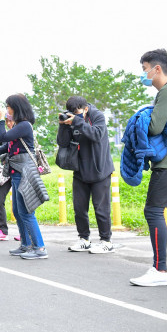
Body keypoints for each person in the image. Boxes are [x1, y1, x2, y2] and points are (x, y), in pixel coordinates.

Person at [0, 94, 49, 260]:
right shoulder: (19, 126)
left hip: (24, 172)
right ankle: (26, 245)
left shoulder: (25, 125)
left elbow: (5, 137)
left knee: (27, 211)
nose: (7, 110)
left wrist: (0, 120)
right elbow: (7, 144)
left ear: (16, 107)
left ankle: (39, 248)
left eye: (8, 106)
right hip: (15, 172)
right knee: (17, 210)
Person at [129, 49, 167, 286]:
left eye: (145, 70)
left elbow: (154, 127)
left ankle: (160, 270)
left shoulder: (165, 92)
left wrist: (144, 114)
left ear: (157, 69)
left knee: (153, 211)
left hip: (165, 165)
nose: (144, 75)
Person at [57, 96, 115, 253]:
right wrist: (63, 126)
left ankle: (106, 241)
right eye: (72, 113)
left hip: (100, 170)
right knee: (79, 208)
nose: (74, 115)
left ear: (86, 108)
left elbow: (96, 135)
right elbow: (62, 143)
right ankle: (84, 239)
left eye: (77, 112)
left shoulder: (97, 116)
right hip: (80, 170)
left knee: (101, 208)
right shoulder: (73, 119)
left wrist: (77, 121)